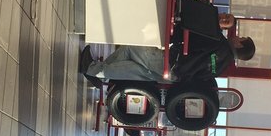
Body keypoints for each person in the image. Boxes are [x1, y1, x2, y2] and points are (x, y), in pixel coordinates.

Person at [79, 32, 256, 87]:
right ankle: (97, 73)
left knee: (131, 48)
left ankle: (93, 70)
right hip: (174, 77)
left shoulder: (219, 42)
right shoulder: (222, 66)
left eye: (240, 38)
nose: (236, 36)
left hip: (171, 63)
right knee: (135, 68)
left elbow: (193, 39)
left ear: (240, 44)